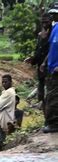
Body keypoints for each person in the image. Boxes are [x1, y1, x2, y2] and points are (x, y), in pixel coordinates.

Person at [25, 14, 52, 112]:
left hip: (49, 66)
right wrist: (32, 59)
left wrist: (45, 62)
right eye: (43, 22)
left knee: (49, 90)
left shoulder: (53, 33)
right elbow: (38, 50)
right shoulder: (40, 35)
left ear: (51, 21)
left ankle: (48, 109)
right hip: (40, 67)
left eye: (46, 22)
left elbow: (51, 50)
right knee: (41, 88)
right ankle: (42, 108)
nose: (44, 24)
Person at [43, 3, 58, 133]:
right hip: (51, 69)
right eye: (52, 13)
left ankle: (54, 124)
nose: (53, 16)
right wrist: (44, 62)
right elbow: (52, 49)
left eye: (55, 13)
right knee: (50, 95)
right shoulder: (54, 28)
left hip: (56, 69)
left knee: (53, 97)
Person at [0, 75, 16, 152]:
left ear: (11, 82)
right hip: (6, 120)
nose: (4, 84)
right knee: (1, 141)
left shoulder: (8, 92)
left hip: (0, 121)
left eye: (6, 82)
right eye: (3, 82)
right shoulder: (10, 92)